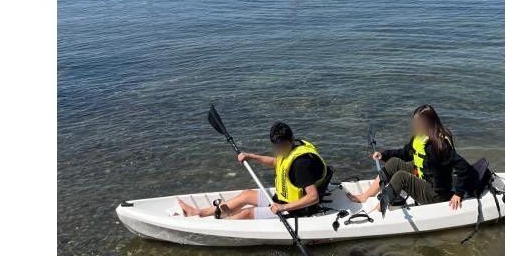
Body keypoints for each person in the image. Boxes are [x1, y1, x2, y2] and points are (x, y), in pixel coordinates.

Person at [176, 122, 330, 220]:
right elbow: (278, 163)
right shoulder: (290, 149)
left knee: (247, 213)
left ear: (290, 140)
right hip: (283, 198)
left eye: (281, 147)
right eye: (275, 147)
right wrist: (251, 156)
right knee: (246, 195)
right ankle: (200, 213)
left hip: (296, 208)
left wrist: (282, 208)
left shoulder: (301, 165)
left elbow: (313, 197)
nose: (278, 150)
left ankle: (213, 228)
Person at [348, 105, 471, 211]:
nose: (414, 126)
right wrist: (384, 155)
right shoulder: (420, 137)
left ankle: (378, 211)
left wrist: (458, 193)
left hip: (436, 194)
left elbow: (464, 167)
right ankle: (366, 195)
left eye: (417, 123)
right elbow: (406, 152)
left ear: (428, 124)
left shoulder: (439, 146)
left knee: (401, 177)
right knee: (394, 163)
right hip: (424, 176)